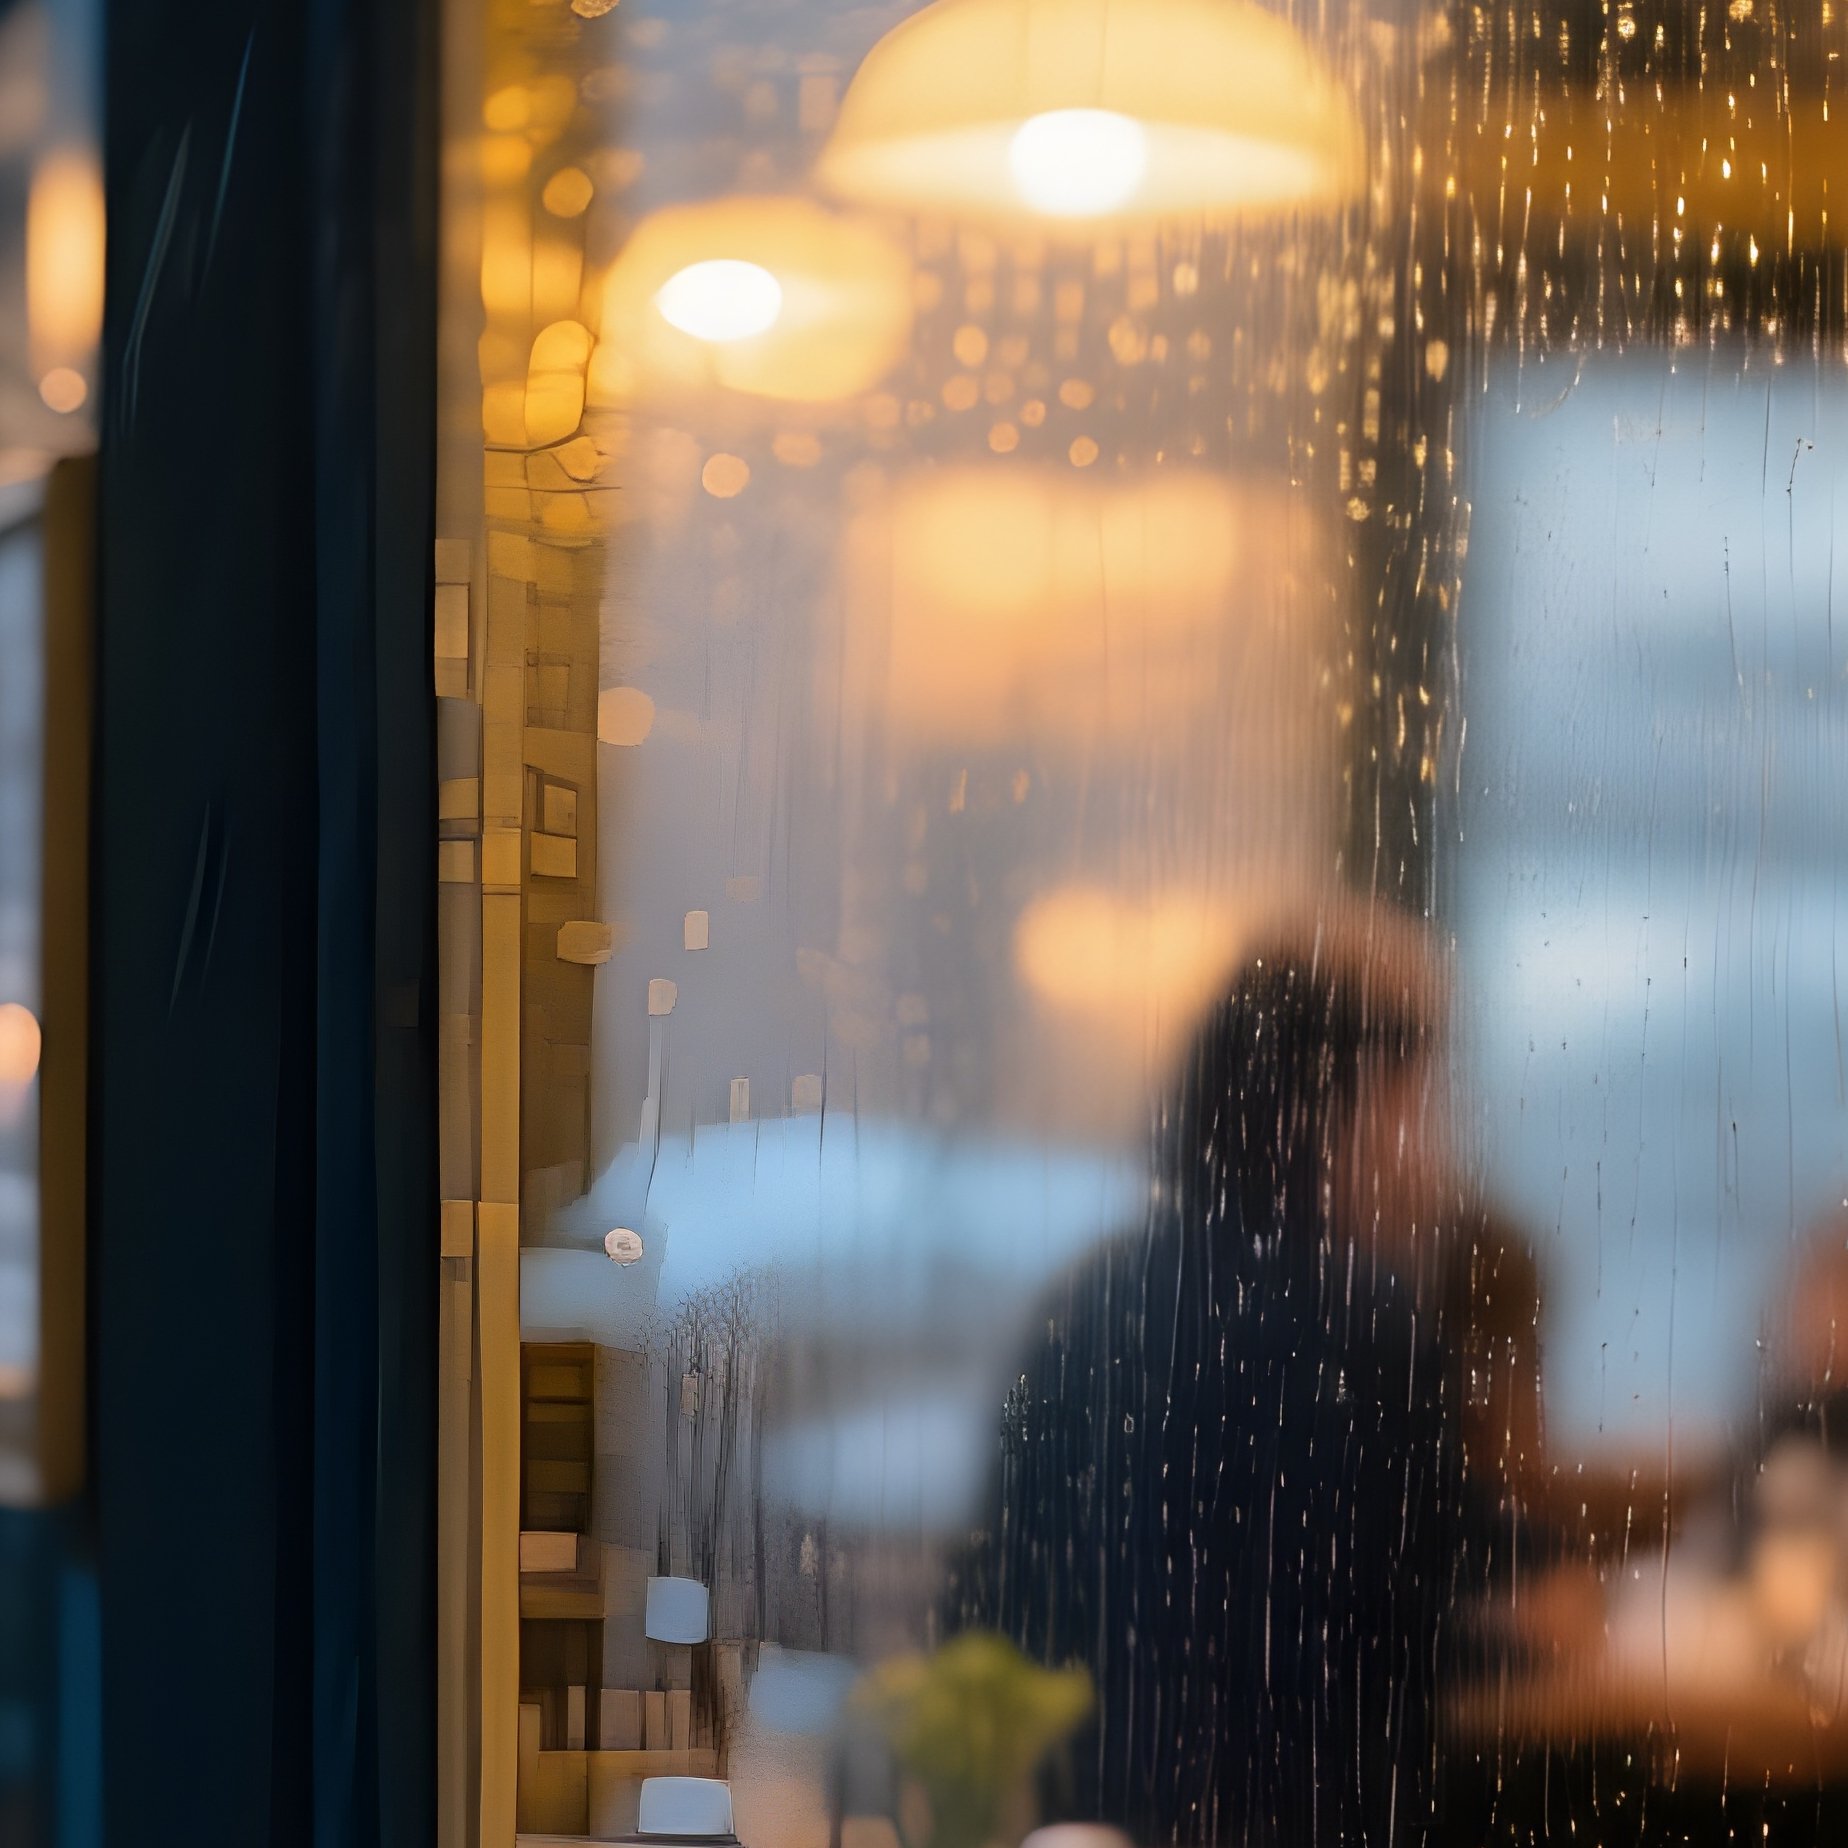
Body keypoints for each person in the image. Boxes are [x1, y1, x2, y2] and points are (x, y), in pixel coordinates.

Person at [950, 899, 1539, 1848]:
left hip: (1082, 1814)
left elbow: (993, 1599)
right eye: (1419, 1100)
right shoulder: (1364, 1318)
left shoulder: (1095, 1297)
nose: (1434, 1152)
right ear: (1331, 1106)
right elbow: (1415, 1621)